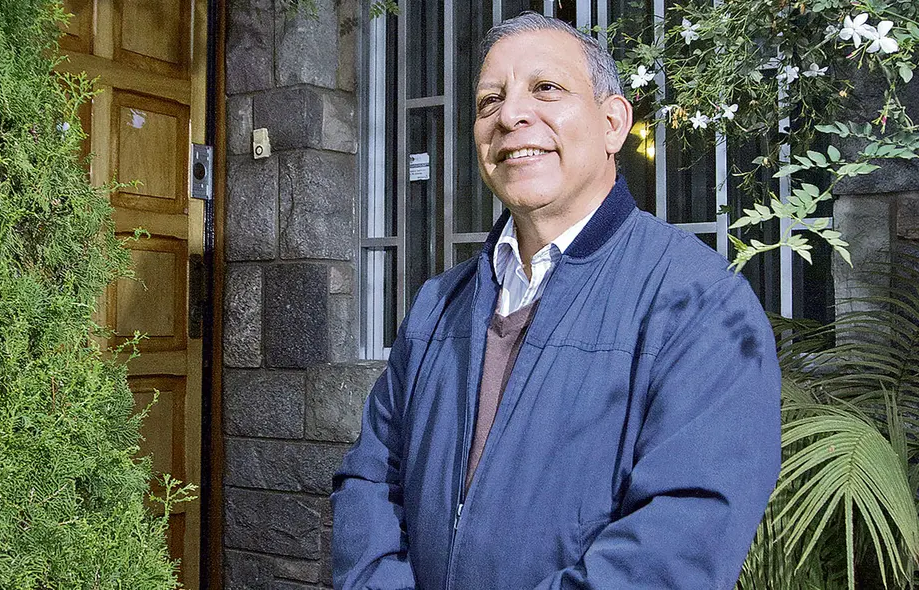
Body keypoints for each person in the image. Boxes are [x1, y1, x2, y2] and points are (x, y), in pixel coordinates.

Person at [332, 11, 781, 590]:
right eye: (489, 101)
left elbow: (677, 545)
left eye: (546, 89)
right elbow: (371, 483)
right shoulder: (438, 306)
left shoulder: (698, 303)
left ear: (614, 123)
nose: (512, 116)